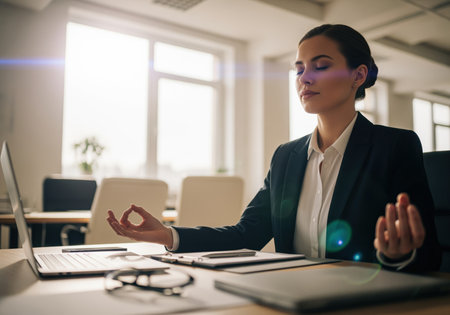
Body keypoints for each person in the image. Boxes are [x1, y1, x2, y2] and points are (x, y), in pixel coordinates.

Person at [107, 24, 441, 272]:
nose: (304, 78)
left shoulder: (395, 146)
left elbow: (427, 255)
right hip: (291, 299)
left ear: (358, 75)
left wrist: (396, 254)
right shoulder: (286, 157)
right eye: (299, 69)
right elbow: (246, 234)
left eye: (320, 66)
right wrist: (168, 234)